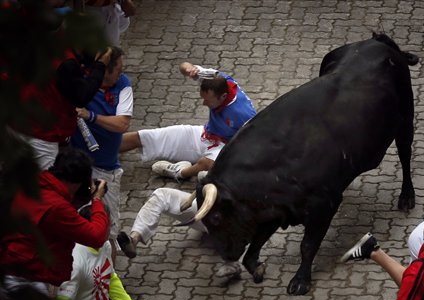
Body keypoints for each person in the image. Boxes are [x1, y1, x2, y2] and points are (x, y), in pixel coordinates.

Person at [0, 147, 109, 300]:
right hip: (23, 276)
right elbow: (96, 236)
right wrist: (97, 199)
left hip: (13, 268)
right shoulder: (56, 207)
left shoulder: (35, 184)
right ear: (78, 182)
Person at [120, 62, 257, 180]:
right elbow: (183, 66)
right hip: (205, 134)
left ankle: (179, 172)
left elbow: (254, 146)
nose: (203, 103)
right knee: (145, 136)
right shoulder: (215, 77)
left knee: (207, 164)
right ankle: (103, 150)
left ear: (223, 96)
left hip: (226, 148)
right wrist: (189, 69)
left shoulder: (244, 114)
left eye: (207, 100)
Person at [56, 204, 155, 300]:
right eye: (107, 223)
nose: (111, 225)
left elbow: (111, 279)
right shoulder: (75, 263)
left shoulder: (104, 245)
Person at [71, 46, 132, 263]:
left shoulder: (123, 84)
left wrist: (91, 116)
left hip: (107, 170)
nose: (122, 73)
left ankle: (108, 284)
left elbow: (123, 123)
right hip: (80, 169)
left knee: (109, 232)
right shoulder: (82, 86)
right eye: (118, 69)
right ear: (105, 70)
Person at [11, 42, 111, 170]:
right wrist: (100, 66)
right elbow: (81, 96)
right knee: (43, 184)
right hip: (41, 135)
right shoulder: (64, 62)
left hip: (19, 124)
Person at [116, 187, 242, 278]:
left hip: (233, 218)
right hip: (205, 204)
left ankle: (232, 261)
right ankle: (134, 239)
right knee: (162, 195)